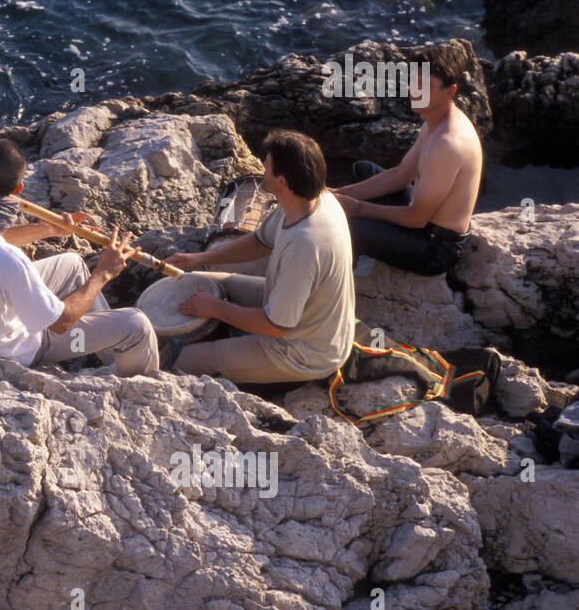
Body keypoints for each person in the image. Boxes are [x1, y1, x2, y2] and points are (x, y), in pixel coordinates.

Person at [0, 139, 159, 377]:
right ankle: (134, 379)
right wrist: (104, 273)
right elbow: (61, 323)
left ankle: (110, 352)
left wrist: (48, 230)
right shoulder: (10, 261)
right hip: (10, 350)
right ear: (18, 189)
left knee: (72, 263)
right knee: (137, 325)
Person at [163, 130, 354, 385]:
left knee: (175, 360)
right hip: (294, 311)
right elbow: (260, 241)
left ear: (282, 181)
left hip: (301, 353)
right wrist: (199, 259)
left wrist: (215, 308)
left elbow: (275, 327)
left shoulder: (305, 245)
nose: (263, 169)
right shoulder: (313, 200)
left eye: (267, 167)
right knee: (200, 280)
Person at [332, 44, 483, 275]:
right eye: (413, 81)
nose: (414, 91)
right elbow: (401, 176)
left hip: (436, 247)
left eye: (424, 86)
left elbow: (416, 219)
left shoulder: (448, 143)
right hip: (422, 221)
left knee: (351, 227)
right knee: (362, 169)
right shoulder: (434, 120)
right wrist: (336, 195)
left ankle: (337, 288)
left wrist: (358, 209)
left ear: (450, 91)